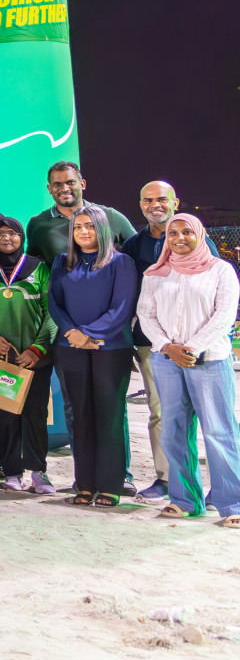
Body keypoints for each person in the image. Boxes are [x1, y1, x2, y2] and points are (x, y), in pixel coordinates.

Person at [135, 213, 240, 528]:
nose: (179, 238)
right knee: (174, 431)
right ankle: (184, 501)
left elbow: (225, 314)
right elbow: (145, 314)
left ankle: (231, 502)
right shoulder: (156, 274)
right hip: (166, 361)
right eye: (173, 233)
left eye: (186, 232)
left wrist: (191, 347)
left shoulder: (221, 270)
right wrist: (168, 347)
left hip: (208, 360)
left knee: (219, 432)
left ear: (200, 234)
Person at [120, 181, 219, 502]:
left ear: (175, 202)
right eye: (148, 200)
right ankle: (168, 479)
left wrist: (198, 341)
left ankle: (220, 484)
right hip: (155, 346)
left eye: (162, 199)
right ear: (140, 204)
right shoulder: (134, 246)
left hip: (198, 346)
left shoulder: (196, 237)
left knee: (211, 416)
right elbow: (132, 297)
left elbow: (217, 288)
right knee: (162, 412)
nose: (155, 204)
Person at [47, 204, 138, 507]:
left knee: (108, 416)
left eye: (88, 226)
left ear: (102, 229)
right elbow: (55, 304)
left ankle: (110, 485)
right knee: (80, 416)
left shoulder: (121, 263)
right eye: (77, 227)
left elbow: (121, 308)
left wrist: (90, 334)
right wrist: (72, 332)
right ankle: (84, 484)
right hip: (69, 347)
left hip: (110, 349)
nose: (83, 232)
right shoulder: (63, 263)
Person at [0, 216, 57, 494]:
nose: (7, 238)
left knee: (34, 414)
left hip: (34, 359)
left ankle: (38, 473)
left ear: (22, 237)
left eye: (12, 233)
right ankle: (12, 472)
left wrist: (37, 349)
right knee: (6, 417)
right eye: (0, 234)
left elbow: (52, 314)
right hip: (0, 359)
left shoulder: (40, 268)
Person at [25, 161, 137, 264]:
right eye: (57, 184)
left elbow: (139, 250)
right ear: (49, 189)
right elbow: (33, 267)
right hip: (61, 285)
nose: (65, 189)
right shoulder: (38, 224)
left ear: (82, 184)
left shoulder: (110, 215)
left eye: (70, 182)